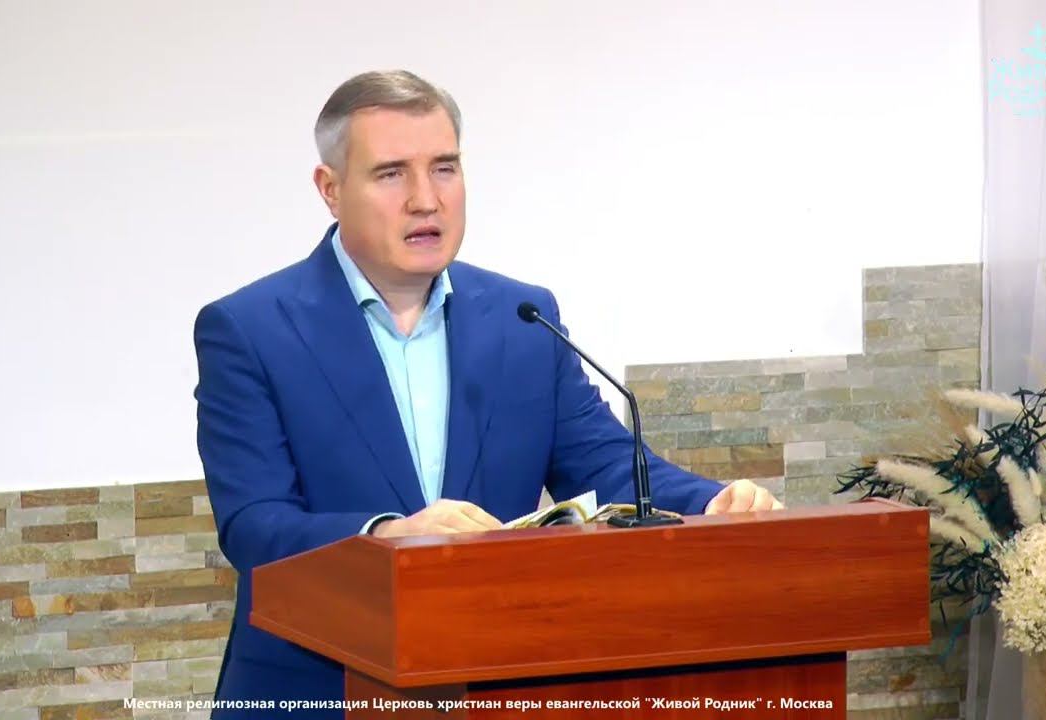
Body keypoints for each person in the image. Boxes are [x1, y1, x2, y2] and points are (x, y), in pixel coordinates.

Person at [193, 69, 783, 717]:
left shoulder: (522, 317)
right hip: (318, 689)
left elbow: (604, 464)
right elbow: (255, 525)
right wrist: (387, 534)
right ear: (330, 189)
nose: (426, 200)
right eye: (391, 174)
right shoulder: (251, 329)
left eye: (444, 168)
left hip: (490, 680)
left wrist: (709, 503)